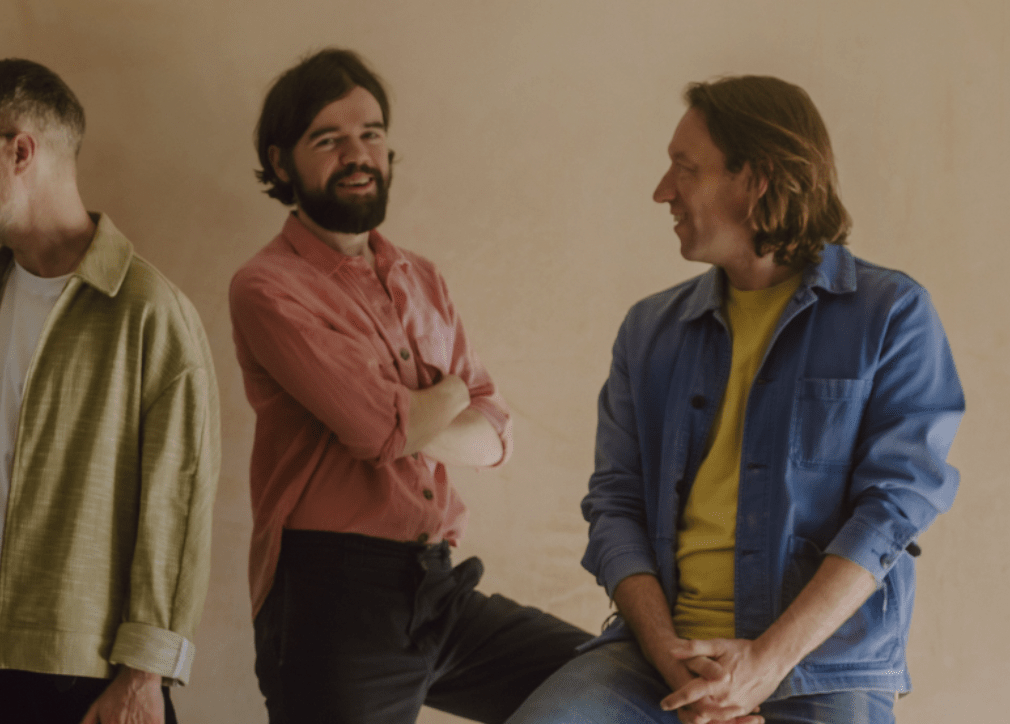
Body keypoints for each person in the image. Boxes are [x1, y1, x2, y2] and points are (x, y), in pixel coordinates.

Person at [507, 76, 963, 724]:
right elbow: (615, 505)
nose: (662, 191)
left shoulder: (892, 315)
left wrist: (764, 665)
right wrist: (671, 658)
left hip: (822, 669)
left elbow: (895, 509)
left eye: (685, 168)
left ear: (758, 178)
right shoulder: (649, 331)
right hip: (656, 660)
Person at [229, 48, 592, 724]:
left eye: (370, 134)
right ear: (280, 164)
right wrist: (451, 391)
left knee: (603, 681)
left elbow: (496, 436)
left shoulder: (421, 278)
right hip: (333, 600)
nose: (357, 154)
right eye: (328, 139)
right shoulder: (268, 287)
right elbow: (381, 431)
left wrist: (419, 412)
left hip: (436, 584)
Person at [0, 58, 220, 724]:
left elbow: (175, 510)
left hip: (84, 678)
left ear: (21, 151)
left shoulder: (149, 313)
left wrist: (144, 674)